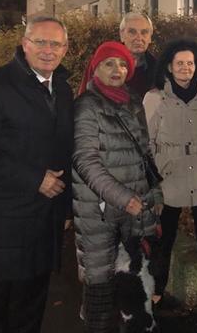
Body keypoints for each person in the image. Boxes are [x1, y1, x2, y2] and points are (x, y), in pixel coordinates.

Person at [0, 16, 73, 333]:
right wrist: (35, 179)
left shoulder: (62, 89)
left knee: (29, 317)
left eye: (56, 44)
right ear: (24, 44)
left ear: (65, 49)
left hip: (41, 230)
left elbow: (64, 152)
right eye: (40, 42)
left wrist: (64, 209)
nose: (48, 50)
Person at [72, 41, 163, 332]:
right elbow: (85, 161)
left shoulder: (132, 101)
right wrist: (122, 197)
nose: (118, 69)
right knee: (99, 290)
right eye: (109, 63)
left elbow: (144, 152)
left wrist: (155, 191)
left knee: (133, 283)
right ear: (95, 68)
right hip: (98, 211)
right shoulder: (87, 105)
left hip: (134, 208)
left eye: (123, 64)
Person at [143, 39, 197, 331]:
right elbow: (146, 141)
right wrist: (154, 178)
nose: (185, 68)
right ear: (169, 67)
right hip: (169, 176)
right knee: (163, 239)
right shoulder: (155, 97)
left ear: (196, 65)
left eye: (190, 63)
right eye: (180, 63)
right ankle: (156, 292)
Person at [119, 12, 157, 98]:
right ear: (122, 35)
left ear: (150, 37)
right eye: (132, 32)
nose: (139, 38)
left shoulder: (160, 70)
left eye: (144, 32)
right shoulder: (106, 68)